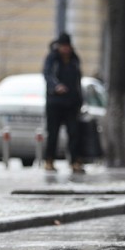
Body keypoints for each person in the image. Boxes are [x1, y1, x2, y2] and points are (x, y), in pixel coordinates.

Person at [42, 32, 84, 173]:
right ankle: (49, 160)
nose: (66, 49)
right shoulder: (52, 58)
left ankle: (75, 162)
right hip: (55, 103)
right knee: (53, 133)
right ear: (59, 46)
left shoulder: (74, 59)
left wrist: (79, 99)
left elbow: (78, 79)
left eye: (67, 46)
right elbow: (47, 74)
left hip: (72, 103)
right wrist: (56, 86)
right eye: (63, 46)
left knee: (74, 133)